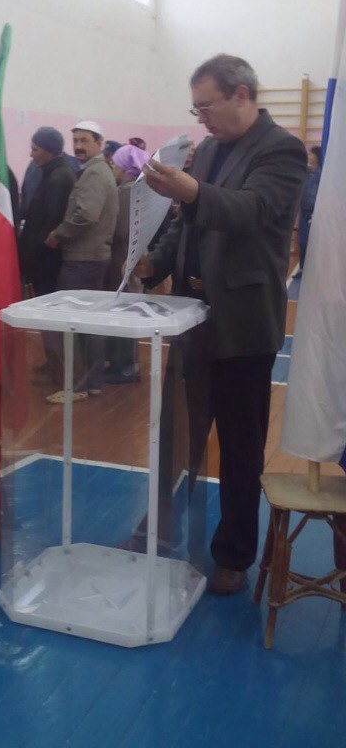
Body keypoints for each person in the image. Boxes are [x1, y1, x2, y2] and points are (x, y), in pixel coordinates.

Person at [134, 54, 307, 594]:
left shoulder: (281, 149)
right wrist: (153, 262)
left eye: (206, 106)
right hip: (189, 319)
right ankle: (160, 528)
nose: (201, 118)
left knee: (239, 446)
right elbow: (186, 223)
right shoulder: (207, 150)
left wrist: (188, 190)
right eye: (196, 109)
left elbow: (250, 211)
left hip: (242, 325)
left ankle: (233, 553)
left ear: (241, 94)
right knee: (174, 434)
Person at [45, 120, 118, 402]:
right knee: (89, 323)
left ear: (99, 143)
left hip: (83, 258)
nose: (78, 146)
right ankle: (92, 382)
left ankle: (76, 386)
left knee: (71, 322)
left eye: (85, 140)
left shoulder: (94, 172)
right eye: (75, 140)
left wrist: (59, 234)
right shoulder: (96, 169)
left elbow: (86, 214)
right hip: (92, 257)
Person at [19, 127, 76, 384]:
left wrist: (32, 250)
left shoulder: (58, 178)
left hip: (47, 260)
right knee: (47, 313)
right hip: (43, 258)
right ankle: (53, 362)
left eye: (35, 149)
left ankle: (58, 368)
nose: (31, 155)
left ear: (50, 151)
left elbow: (51, 223)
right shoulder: (53, 173)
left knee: (50, 313)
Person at [104, 143, 150, 383]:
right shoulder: (141, 188)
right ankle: (125, 364)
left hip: (123, 257)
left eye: (115, 164)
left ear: (124, 167)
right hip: (135, 254)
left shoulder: (126, 191)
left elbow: (120, 230)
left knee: (123, 311)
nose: (112, 168)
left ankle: (125, 366)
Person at [296, 144, 322, 276]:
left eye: (312, 154)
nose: (309, 156)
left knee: (315, 244)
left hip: (316, 214)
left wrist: (317, 213)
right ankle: (302, 268)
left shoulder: (321, 174)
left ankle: (316, 271)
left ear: (317, 156)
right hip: (304, 213)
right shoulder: (305, 172)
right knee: (302, 242)